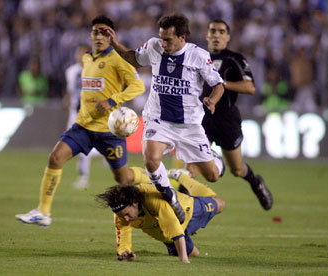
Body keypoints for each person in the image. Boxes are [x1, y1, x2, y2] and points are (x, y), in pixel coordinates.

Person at [15, 15, 146, 227]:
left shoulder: (118, 59)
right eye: (96, 32)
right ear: (90, 35)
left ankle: (148, 177)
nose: (99, 37)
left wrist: (113, 100)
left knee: (124, 178)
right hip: (83, 126)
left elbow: (138, 87)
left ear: (112, 36)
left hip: (109, 131)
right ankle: (43, 212)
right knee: (55, 158)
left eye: (105, 33)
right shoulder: (87, 58)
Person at [101, 13, 225, 223]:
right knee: (150, 158)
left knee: (212, 175)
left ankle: (214, 157)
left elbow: (218, 85)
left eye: (168, 39)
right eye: (162, 38)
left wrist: (212, 100)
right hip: (158, 119)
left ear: (182, 37)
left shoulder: (198, 56)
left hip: (189, 125)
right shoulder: (154, 46)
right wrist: (114, 43)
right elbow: (134, 58)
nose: (163, 43)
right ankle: (170, 196)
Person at [193, 19, 273, 210]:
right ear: (207, 35)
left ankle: (255, 182)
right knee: (193, 166)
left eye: (221, 32)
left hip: (226, 120)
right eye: (213, 31)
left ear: (228, 37)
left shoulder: (235, 59)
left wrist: (220, 83)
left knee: (237, 169)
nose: (216, 35)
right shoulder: (196, 57)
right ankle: (183, 212)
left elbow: (250, 87)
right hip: (201, 119)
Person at [96, 168, 225, 263]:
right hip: (165, 233)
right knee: (194, 254)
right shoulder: (121, 213)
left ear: (135, 202)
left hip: (188, 211)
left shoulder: (152, 199)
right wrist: (125, 252)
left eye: (127, 214)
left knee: (220, 204)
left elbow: (172, 224)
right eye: (121, 216)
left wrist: (183, 259)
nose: (126, 219)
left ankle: (183, 178)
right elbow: (123, 235)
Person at [63, 44, 102, 190]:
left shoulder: (96, 70)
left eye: (83, 53)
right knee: (70, 144)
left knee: (81, 145)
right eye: (78, 53)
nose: (80, 56)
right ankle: (101, 152)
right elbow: (70, 90)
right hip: (74, 113)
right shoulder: (71, 71)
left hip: (89, 114)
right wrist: (66, 101)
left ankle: (83, 178)